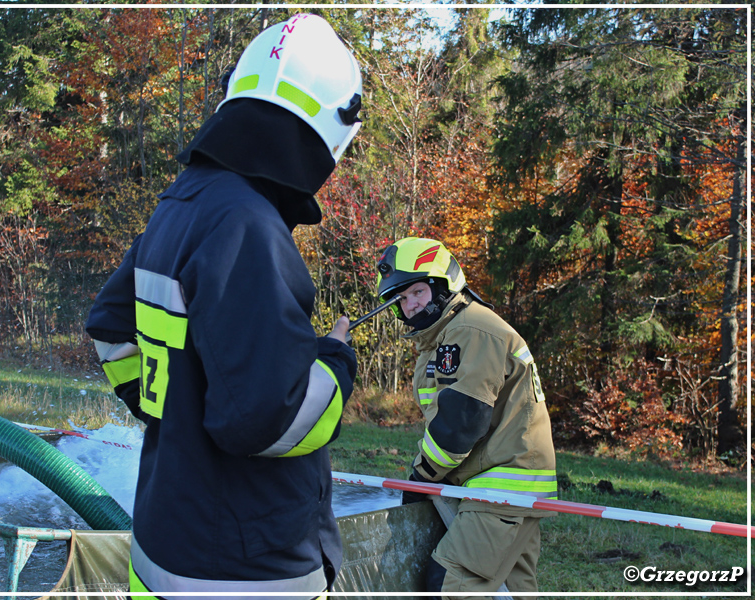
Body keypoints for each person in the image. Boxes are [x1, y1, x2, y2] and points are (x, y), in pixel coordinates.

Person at [85, 14, 361, 599]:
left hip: (164, 545)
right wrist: (335, 362)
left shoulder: (181, 203)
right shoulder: (248, 227)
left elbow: (111, 327)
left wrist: (168, 409)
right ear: (328, 132)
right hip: (244, 570)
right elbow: (271, 417)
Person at [375, 237, 557, 598]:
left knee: (452, 582)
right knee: (512, 590)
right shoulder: (454, 331)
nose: (411, 306)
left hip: (501, 488)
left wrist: (420, 477)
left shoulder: (466, 330)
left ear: (443, 285)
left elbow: (460, 424)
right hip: (509, 485)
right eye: (401, 300)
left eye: (417, 292)